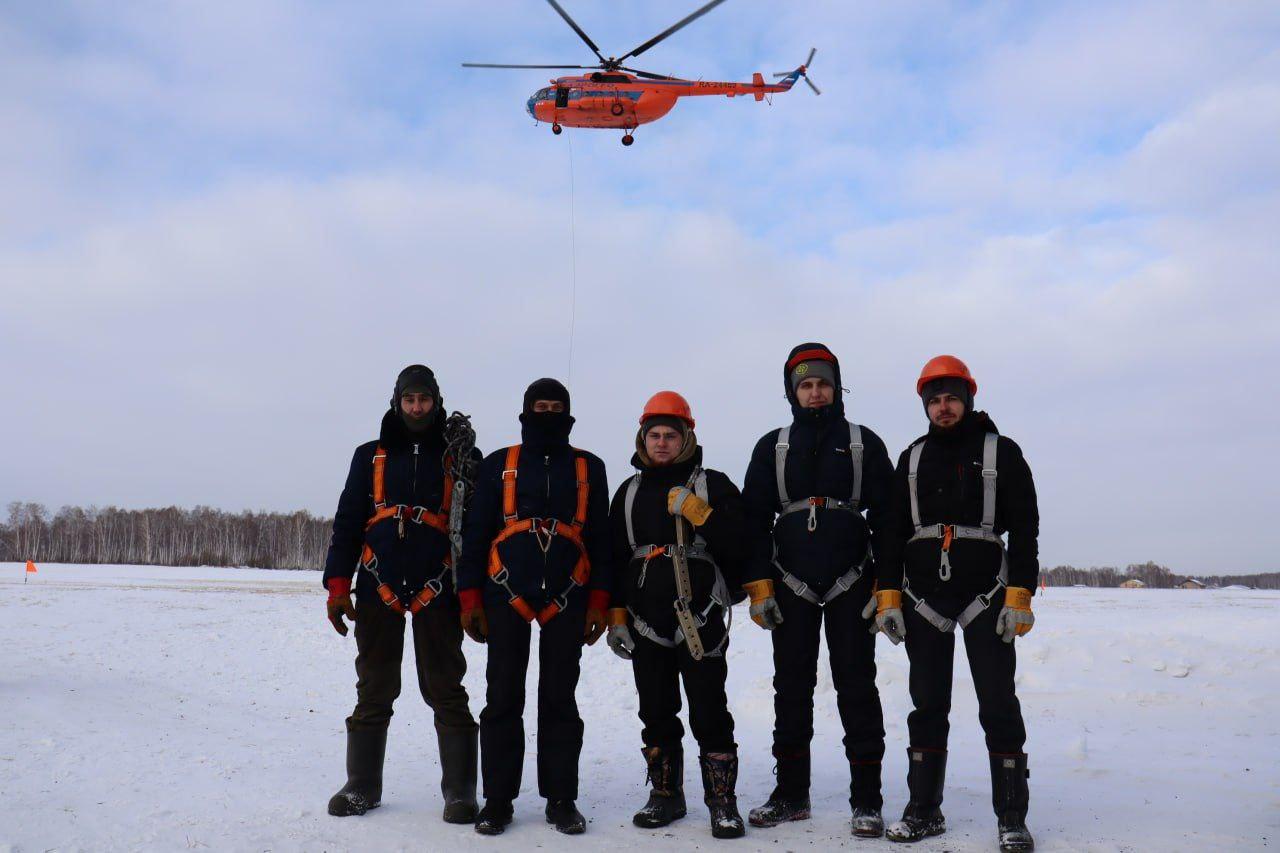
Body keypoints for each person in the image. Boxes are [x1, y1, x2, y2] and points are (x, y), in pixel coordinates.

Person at [874, 355, 1039, 852]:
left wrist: (1021, 593)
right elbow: (889, 531)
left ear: (968, 399)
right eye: (935, 400)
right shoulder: (912, 458)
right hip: (923, 597)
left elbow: (1026, 526)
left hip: (987, 595)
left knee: (998, 702)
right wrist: (887, 595)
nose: (943, 408)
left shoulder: (1001, 452)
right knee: (927, 703)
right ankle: (924, 809)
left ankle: (1012, 816)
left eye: (951, 399)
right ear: (925, 405)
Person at [741, 343, 894, 837]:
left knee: (857, 687)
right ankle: (791, 793)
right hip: (790, 584)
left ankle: (866, 799)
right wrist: (759, 583)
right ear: (792, 391)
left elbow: (891, 521)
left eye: (822, 383)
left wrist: (887, 588)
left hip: (852, 582)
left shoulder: (862, 442)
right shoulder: (773, 446)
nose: (814, 392)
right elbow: (751, 521)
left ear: (836, 387)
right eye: (804, 384)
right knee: (791, 688)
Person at [322, 364, 481, 823]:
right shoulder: (369, 456)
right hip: (378, 586)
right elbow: (348, 525)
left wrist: (471, 598)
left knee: (447, 689)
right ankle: (362, 786)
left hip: (440, 588)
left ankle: (459, 792)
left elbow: (474, 531)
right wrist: (337, 587)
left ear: (436, 402)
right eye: (409, 399)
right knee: (374, 688)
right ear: (397, 402)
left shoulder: (460, 459)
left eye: (424, 399)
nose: (417, 407)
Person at [456, 379, 612, 836]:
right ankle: (498, 800)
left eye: (555, 407)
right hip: (505, 595)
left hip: (569, 596)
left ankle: (561, 799)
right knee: (502, 696)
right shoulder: (498, 465)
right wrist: (469, 598)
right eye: (539, 407)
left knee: (560, 699)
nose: (547, 414)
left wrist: (600, 601)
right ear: (525, 413)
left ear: (568, 414)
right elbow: (475, 533)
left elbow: (602, 540)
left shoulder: (589, 467)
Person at [606, 391, 756, 839]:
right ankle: (666, 794)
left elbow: (744, 543)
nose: (662, 442)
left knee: (710, 709)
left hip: (701, 619)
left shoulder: (713, 485)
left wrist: (701, 514)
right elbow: (613, 556)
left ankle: (722, 802)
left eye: (671, 435)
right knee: (655, 708)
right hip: (644, 620)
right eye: (654, 435)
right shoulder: (629, 493)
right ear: (642, 438)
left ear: (687, 437)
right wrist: (615, 614)